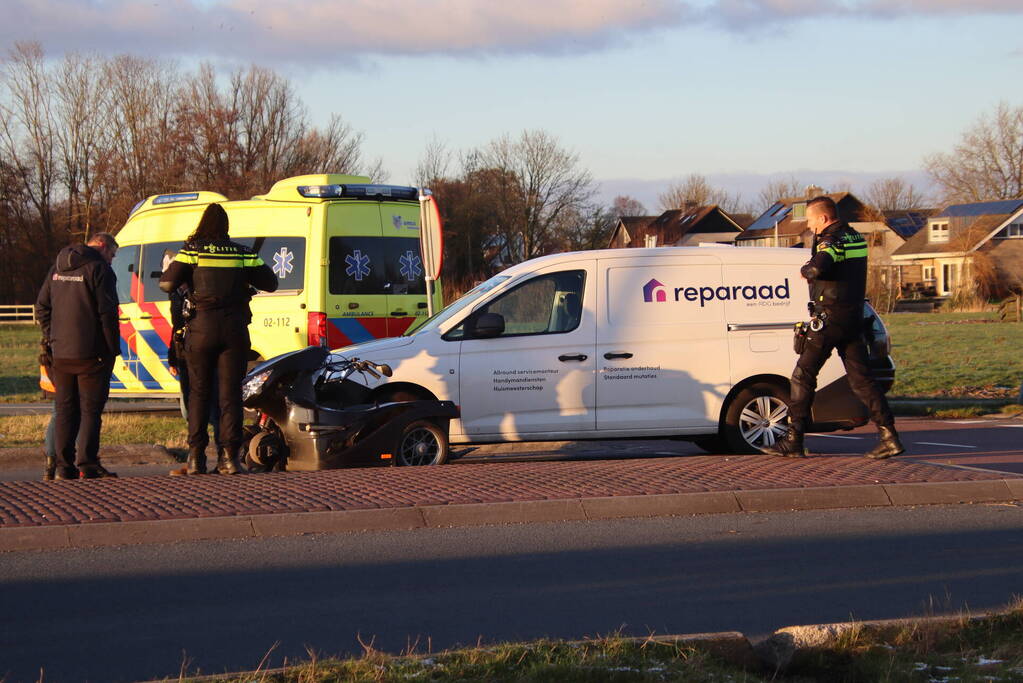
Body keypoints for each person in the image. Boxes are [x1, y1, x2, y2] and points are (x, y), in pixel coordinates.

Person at [762, 196, 904, 459]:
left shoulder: (832, 240)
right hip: (853, 318)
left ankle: (794, 440)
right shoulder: (856, 238)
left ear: (824, 218)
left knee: (803, 376)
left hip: (829, 319)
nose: (810, 225)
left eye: (811, 220)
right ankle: (889, 436)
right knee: (862, 380)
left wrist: (806, 270)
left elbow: (820, 265)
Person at [160, 204, 277, 474]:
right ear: (226, 227)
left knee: (199, 394)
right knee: (230, 397)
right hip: (234, 331)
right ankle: (229, 459)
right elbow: (271, 283)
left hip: (200, 330)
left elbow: (166, 283)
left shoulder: (192, 251)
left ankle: (196, 458)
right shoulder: (243, 252)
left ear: (203, 224)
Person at [35, 232, 121, 479]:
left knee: (65, 410)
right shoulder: (99, 270)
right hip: (92, 353)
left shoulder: (57, 267)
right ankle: (87, 462)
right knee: (91, 410)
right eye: (112, 254)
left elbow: (42, 306)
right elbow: (107, 314)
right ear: (103, 247)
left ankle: (63, 466)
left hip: (61, 353)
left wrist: (53, 337)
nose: (112, 260)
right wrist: (112, 349)